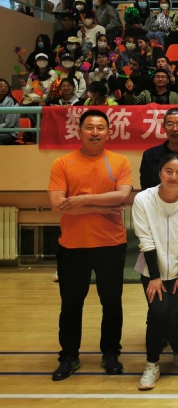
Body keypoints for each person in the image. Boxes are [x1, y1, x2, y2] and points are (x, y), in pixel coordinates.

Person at [48, 110, 133, 381]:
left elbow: (122, 196)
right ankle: (69, 356)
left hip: (111, 244)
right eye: (89, 127)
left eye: (100, 128)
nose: (95, 132)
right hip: (73, 246)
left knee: (112, 303)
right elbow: (57, 204)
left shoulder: (120, 162)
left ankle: (111, 353)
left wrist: (82, 200)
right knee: (71, 304)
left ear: (109, 132)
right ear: (80, 131)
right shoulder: (63, 163)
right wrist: (101, 207)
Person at [132, 153, 178, 390]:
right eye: (168, 171)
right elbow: (145, 239)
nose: (174, 176)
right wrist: (154, 277)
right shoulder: (143, 199)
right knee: (158, 313)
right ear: (160, 173)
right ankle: (152, 364)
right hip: (152, 270)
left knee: (175, 317)